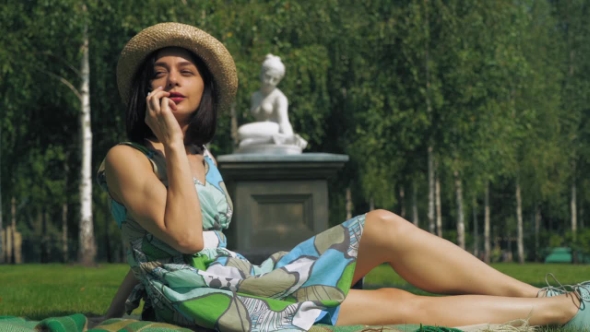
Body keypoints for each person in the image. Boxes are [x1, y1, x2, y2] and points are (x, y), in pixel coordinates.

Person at [96, 22, 589, 331]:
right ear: (145, 90)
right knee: (394, 303)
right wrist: (173, 144)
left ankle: (539, 294)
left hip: (243, 277)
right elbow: (179, 237)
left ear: (204, 91)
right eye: (159, 73)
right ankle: (563, 310)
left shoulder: (201, 155)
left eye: (186, 72)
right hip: (205, 302)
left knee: (382, 225)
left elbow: (152, 243)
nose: (172, 80)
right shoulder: (127, 157)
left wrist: (118, 308)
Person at [236, 53, 307, 151]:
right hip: (262, 131)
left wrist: (289, 135)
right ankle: (273, 140)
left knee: (241, 132)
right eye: (268, 77)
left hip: (275, 129)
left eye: (275, 80)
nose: (270, 82)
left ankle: (283, 138)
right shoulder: (255, 96)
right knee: (243, 140)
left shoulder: (279, 98)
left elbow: (284, 121)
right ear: (261, 74)